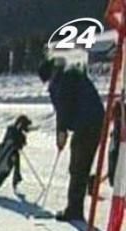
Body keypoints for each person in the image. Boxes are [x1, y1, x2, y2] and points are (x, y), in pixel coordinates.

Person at [38, 58, 105, 222]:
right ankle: (77, 204)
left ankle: (74, 210)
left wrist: (61, 133)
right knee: (81, 165)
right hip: (95, 123)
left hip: (86, 124)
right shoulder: (70, 73)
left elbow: (64, 109)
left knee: (77, 167)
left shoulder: (64, 80)